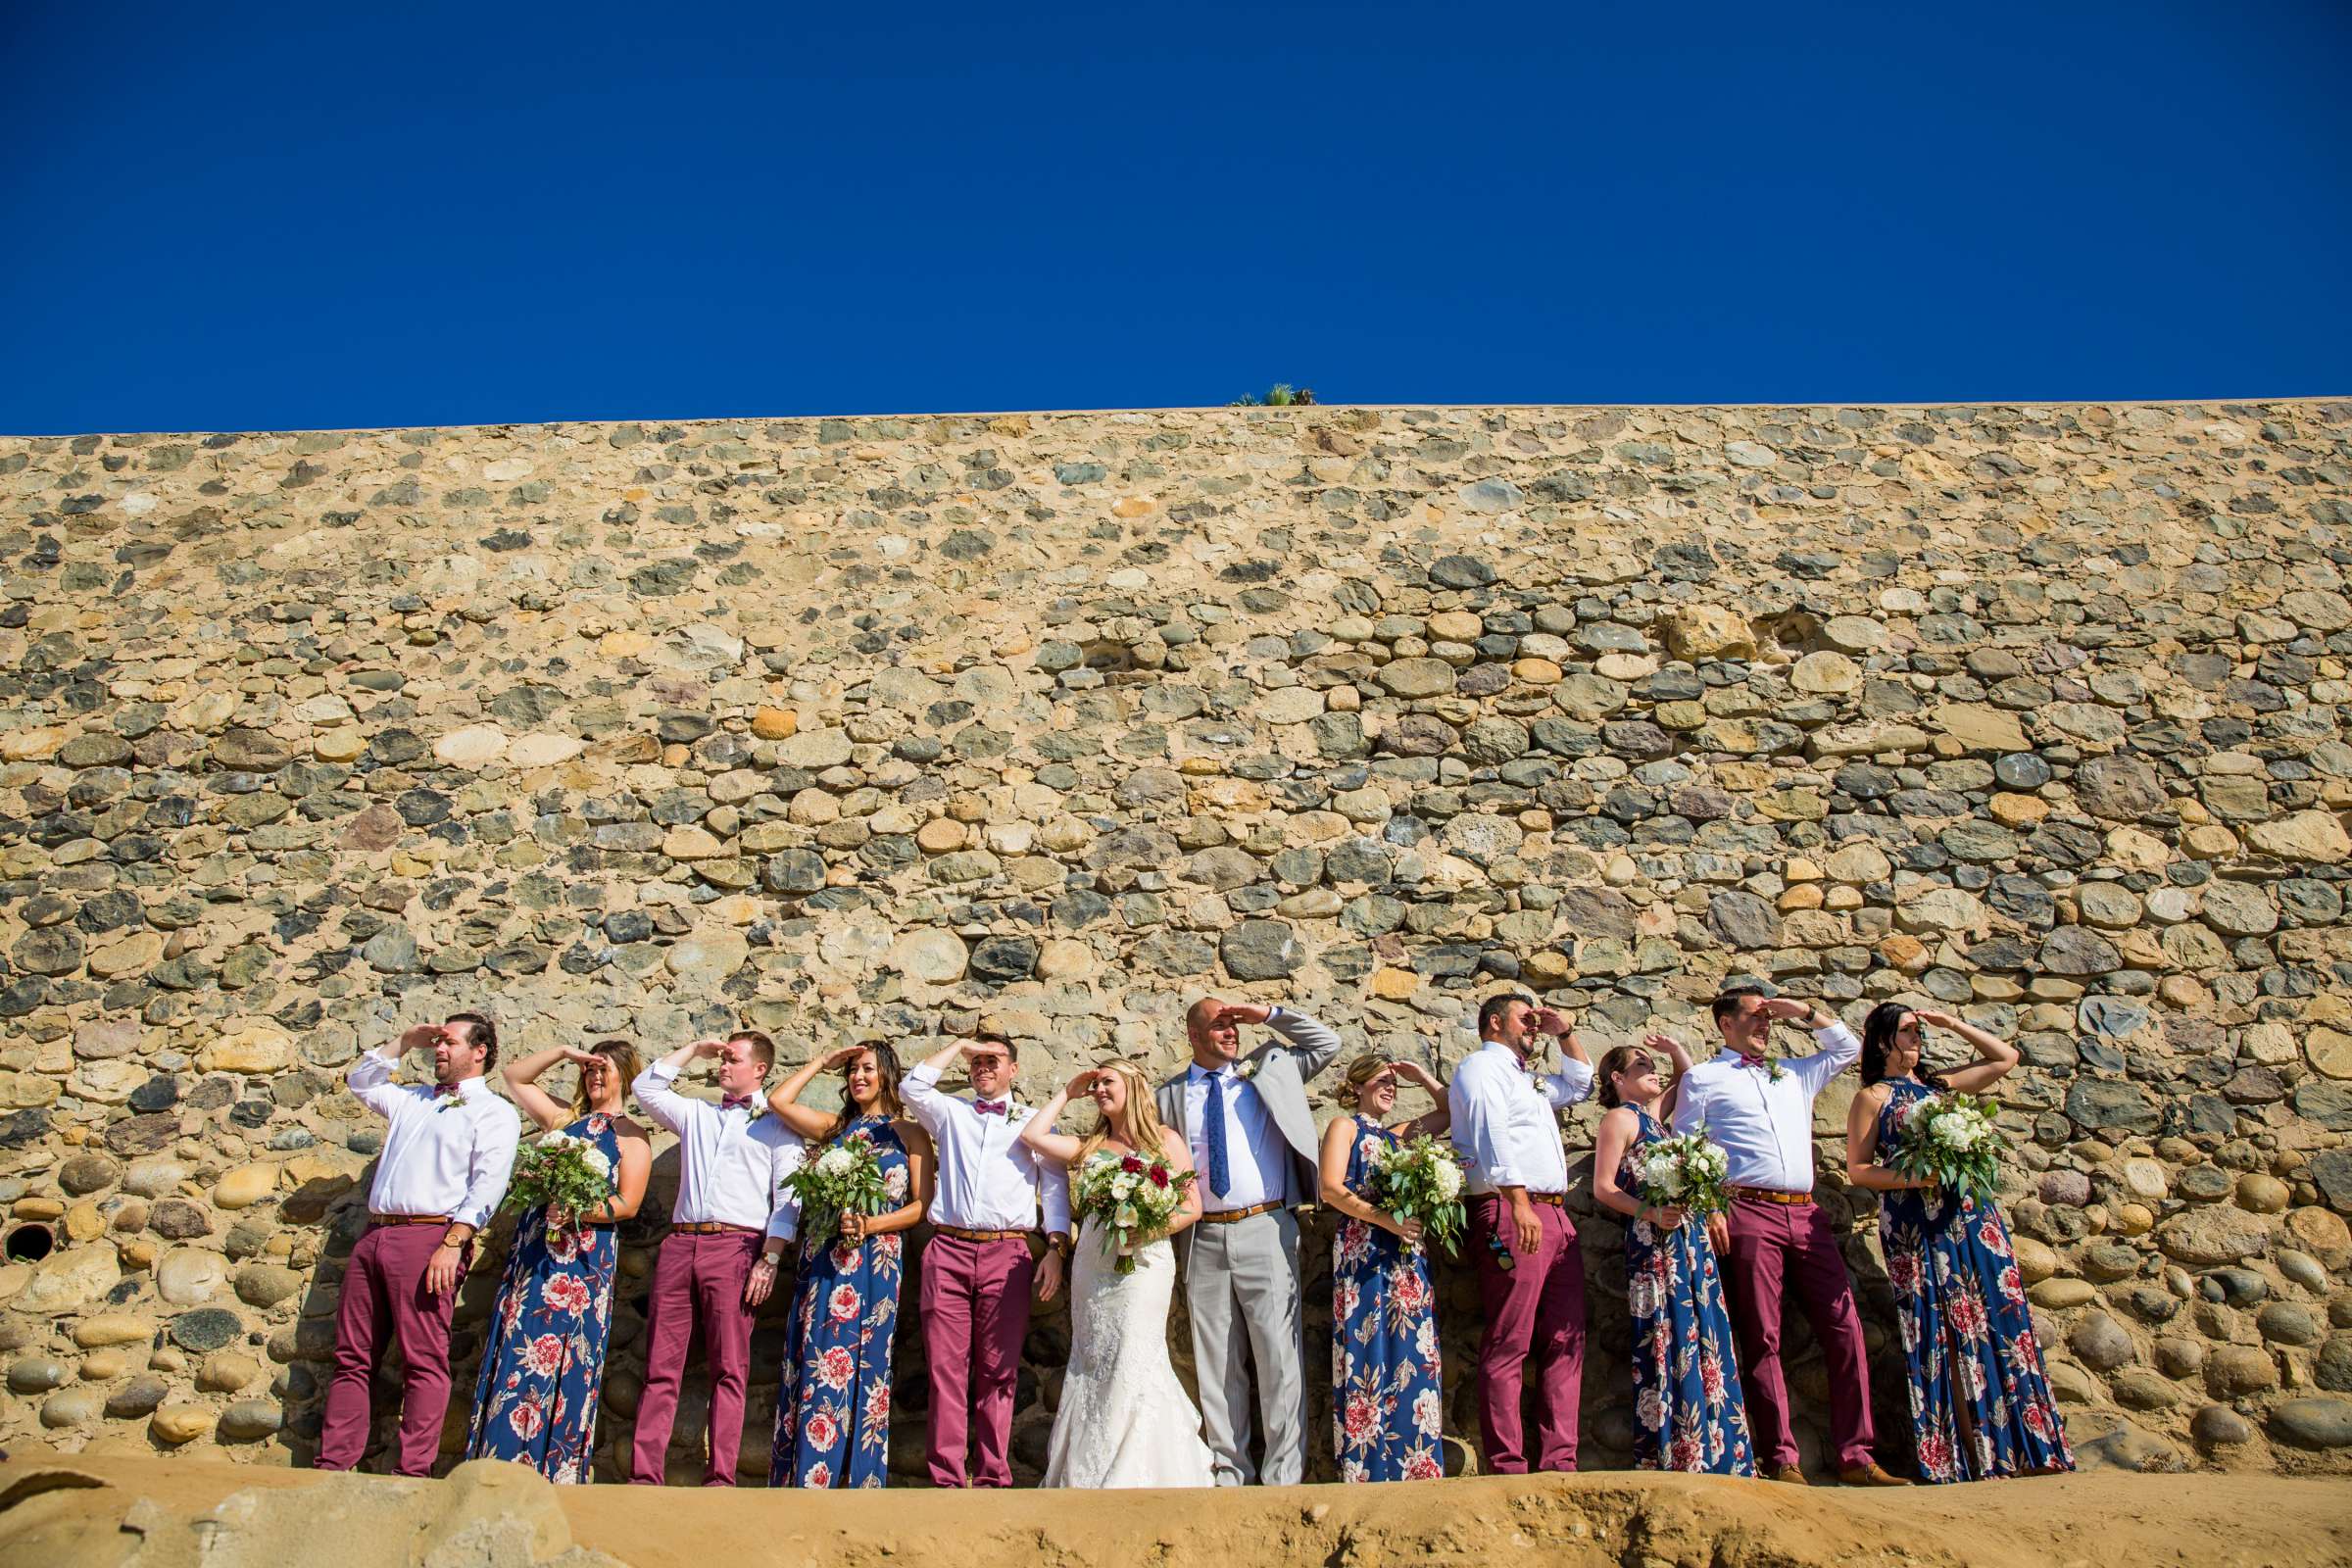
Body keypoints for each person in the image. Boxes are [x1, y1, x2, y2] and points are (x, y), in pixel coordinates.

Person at [1671, 986, 1906, 1487]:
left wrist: (1803, 1011)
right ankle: (1782, 1458)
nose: (1764, 1024)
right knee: (1762, 1335)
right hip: (1746, 1211)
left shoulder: (1795, 1072)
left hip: (1807, 1214)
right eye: (1754, 1016)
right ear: (1724, 1023)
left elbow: (1845, 1047)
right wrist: (1709, 1204)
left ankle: (1857, 1456)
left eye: (1766, 1016)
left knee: (1846, 1327)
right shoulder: (1703, 1078)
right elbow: (1685, 1147)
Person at [1846, 1004, 2074, 1483]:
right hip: (1917, 1225)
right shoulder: (1873, 1097)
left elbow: (2004, 1057)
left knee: (1999, 1323)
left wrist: (1952, 1024)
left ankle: (2024, 1448)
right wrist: (1914, 1178)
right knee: (1943, 1331)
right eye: (1908, 1030)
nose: (1917, 1037)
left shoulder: (1939, 1084)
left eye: (1919, 1030)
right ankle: (1969, 1457)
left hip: (1970, 1216)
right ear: (1883, 1039)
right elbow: (1858, 1170)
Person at [319, 1013, 521, 1476]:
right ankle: (333, 1465)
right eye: (437, 1043)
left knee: (423, 1358)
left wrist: (454, 1242)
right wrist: (403, 1042)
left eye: (450, 1043)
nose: (440, 1050)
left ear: (480, 1050)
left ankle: (412, 1473)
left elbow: (489, 1183)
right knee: (352, 1355)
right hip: (375, 1235)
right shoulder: (411, 1100)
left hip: (430, 1237)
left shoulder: (493, 1111)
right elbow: (362, 1082)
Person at [1020, 1058, 1215, 1488]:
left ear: (1133, 1087)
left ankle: (1135, 1467)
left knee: (1133, 1350)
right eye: (1097, 1085)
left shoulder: (1166, 1141)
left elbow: (1191, 1206)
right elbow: (1032, 1136)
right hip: (1094, 1265)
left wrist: (1143, 1231)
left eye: (1108, 1082)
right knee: (1092, 1357)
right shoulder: (1090, 1146)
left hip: (1144, 1264)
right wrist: (1068, 1092)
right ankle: (1089, 1468)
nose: (1100, 1090)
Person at [465, 1038, 653, 1481]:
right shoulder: (563, 1120)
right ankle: (498, 1461)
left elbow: (627, 1205)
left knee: (566, 1359)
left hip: (582, 1266)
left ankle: (554, 1470)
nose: (594, 1076)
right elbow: (515, 1077)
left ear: (624, 1075)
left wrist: (577, 1212)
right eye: (588, 1070)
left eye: (603, 1068)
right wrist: (566, 1052)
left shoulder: (631, 1135)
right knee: (518, 1350)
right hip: (535, 1258)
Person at [628, 1031, 805, 1487]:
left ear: (760, 1069)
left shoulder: (777, 1124)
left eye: (733, 1059)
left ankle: (720, 1476)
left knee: (730, 1365)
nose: (723, 1065)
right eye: (722, 1058)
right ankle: (645, 1476)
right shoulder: (696, 1114)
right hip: (680, 1243)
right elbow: (645, 1088)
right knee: (660, 1365)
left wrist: (770, 1258)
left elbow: (788, 1197)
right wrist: (691, 1051)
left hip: (737, 1247)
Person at [901, 1033, 1071, 1489]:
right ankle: (946, 1477)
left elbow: (1054, 1188)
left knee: (999, 1367)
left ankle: (994, 1474)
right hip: (948, 1250)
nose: (984, 1067)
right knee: (944, 1367)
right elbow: (911, 1088)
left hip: (1007, 1251)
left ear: (1013, 1070)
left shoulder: (1034, 1122)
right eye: (978, 1062)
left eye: (994, 1061)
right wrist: (959, 1045)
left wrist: (1056, 1247)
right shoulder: (948, 1112)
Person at [765, 1041, 934, 1488]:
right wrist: (823, 1061)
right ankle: (808, 1474)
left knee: (868, 1361)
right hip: (825, 1259)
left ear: (888, 1076)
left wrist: (873, 1223)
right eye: (852, 1071)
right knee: (818, 1355)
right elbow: (778, 1101)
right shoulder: (834, 1128)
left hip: (877, 1262)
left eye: (867, 1070)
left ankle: (857, 1478)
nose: (858, 1077)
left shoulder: (911, 1134)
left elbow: (922, 1207)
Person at [1590, 1037, 1754, 1477]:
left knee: (1702, 1334)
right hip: (1654, 1242)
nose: (1651, 1068)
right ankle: (1677, 1449)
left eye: (1651, 1064)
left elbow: (1687, 1077)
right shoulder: (1620, 1119)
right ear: (1618, 1079)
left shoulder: (1657, 1120)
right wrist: (1649, 1211)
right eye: (1640, 1065)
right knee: (1668, 1336)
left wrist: (1676, 1047)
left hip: (1688, 1241)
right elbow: (1603, 1187)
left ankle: (1714, 1447)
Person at [1446, 993, 1593, 1475]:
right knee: (1511, 1339)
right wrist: (1517, 1201)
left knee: (1566, 1340)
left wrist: (1564, 1032)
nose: (1533, 1024)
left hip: (1554, 1213)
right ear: (1494, 1022)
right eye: (1524, 1017)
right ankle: (1508, 1464)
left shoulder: (1526, 1078)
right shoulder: (1480, 1067)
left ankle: (1559, 1462)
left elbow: (1580, 1085)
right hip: (1514, 1208)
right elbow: (1491, 1134)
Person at [1317, 1053, 1450, 1483]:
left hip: (1405, 1252)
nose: (1390, 1088)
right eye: (1381, 1081)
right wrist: (1383, 1219)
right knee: (1369, 1342)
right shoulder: (1345, 1127)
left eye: (1394, 1083)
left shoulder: (1398, 1136)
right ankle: (1370, 1466)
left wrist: (1421, 1076)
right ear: (1356, 1086)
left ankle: (1414, 1462)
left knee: (1413, 1348)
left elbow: (1449, 1112)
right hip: (1366, 1247)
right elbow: (1331, 1188)